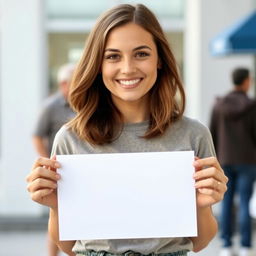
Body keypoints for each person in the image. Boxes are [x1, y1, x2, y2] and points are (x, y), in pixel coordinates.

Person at [26, 4, 228, 256]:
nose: (128, 68)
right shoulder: (70, 138)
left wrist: (201, 206)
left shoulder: (193, 134)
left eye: (141, 54)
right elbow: (67, 246)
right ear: (98, 65)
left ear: (160, 60)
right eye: (113, 56)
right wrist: (55, 205)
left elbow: (199, 243)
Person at [209, 67, 256, 256]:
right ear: (246, 81)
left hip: (224, 160)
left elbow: (211, 133)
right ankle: (245, 246)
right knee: (244, 201)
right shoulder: (252, 105)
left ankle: (226, 245)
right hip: (248, 160)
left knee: (226, 202)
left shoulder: (218, 105)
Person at [32, 63, 76, 256]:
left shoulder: (83, 102)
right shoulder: (50, 106)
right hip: (58, 171)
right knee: (56, 218)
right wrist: (45, 163)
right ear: (64, 84)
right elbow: (37, 135)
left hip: (77, 172)